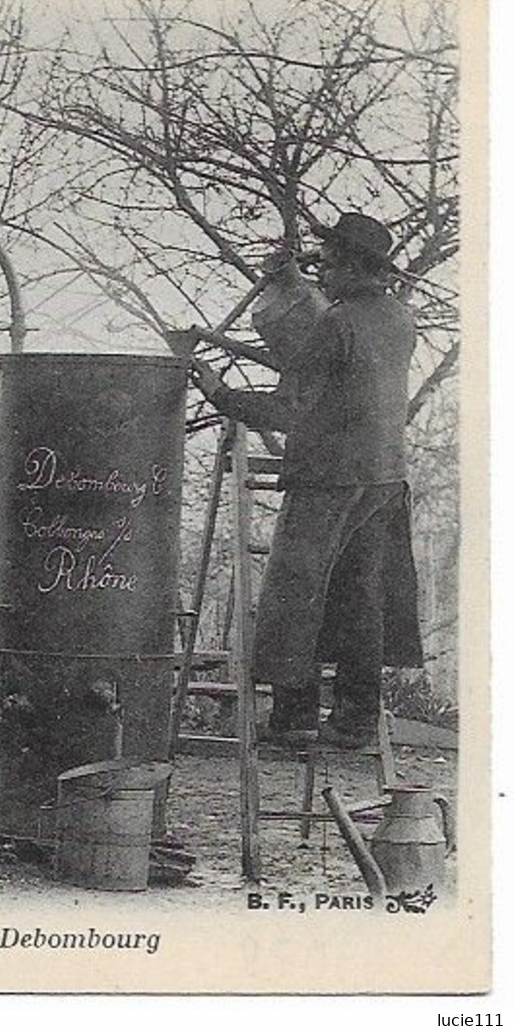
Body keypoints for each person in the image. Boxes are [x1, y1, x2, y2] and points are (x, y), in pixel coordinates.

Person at [169, 212, 424, 748]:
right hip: (383, 476)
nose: (322, 276)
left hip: (329, 477)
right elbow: (324, 370)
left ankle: (294, 719)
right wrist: (289, 282)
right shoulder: (399, 318)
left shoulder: (336, 322)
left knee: (296, 593)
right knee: (359, 598)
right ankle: (355, 720)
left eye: (329, 267)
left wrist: (217, 390)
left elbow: (289, 406)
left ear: (355, 269)